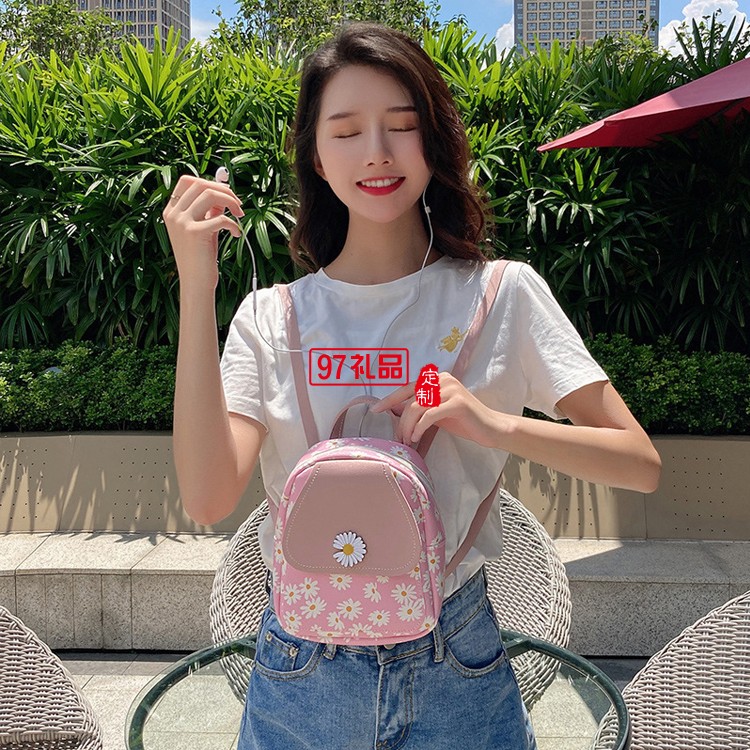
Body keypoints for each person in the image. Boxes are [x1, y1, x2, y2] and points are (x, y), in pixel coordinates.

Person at [162, 21, 661, 750]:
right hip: (302, 673)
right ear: (316, 156)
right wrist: (195, 285)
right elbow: (208, 498)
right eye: (346, 131)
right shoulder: (274, 317)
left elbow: (639, 464)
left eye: (402, 125)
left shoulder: (502, 294)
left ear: (435, 140)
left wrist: (492, 424)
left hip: (458, 663)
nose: (377, 151)